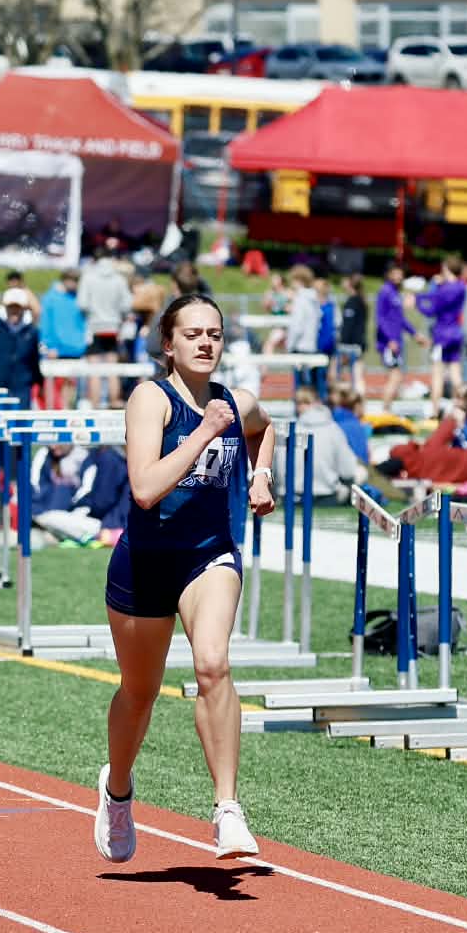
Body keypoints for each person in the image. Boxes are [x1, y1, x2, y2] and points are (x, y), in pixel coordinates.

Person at [94, 293, 277, 864]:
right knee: (140, 692)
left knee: (213, 665)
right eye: (193, 334)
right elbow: (145, 489)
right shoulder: (151, 398)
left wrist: (261, 476)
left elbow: (264, 428)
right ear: (168, 345)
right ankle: (117, 790)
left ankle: (228, 809)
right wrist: (204, 433)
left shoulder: (236, 402)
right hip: (146, 562)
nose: (205, 343)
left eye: (214, 334)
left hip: (208, 556)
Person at [281, 387, 365, 502]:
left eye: (303, 402)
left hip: (289, 495)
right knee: (360, 473)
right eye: (299, 403)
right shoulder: (333, 429)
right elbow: (348, 472)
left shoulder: (289, 430)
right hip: (326, 495)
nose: (300, 407)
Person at [78, 256, 133, 407]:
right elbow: (127, 304)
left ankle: (95, 404)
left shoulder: (88, 277)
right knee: (112, 368)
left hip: (94, 327)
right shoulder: (119, 279)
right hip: (113, 327)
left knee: (94, 370)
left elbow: (82, 303)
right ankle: (114, 402)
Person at [417, 257, 467, 403]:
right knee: (455, 374)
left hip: (442, 334)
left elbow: (431, 310)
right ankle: (462, 404)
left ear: (447, 269)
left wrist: (417, 302)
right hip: (456, 332)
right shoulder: (461, 286)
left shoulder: (445, 289)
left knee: (437, 374)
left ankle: (435, 410)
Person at [39, 268, 87, 407]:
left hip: (77, 349)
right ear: (64, 280)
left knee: (71, 386)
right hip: (57, 350)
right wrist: (49, 346)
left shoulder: (79, 298)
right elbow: (46, 324)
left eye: (77, 281)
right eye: (72, 280)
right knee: (55, 387)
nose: (74, 284)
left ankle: (69, 412)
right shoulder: (50, 298)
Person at [374, 263, 408, 405]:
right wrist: (390, 339)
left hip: (397, 341)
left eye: (400, 274)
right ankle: (385, 409)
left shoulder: (396, 293)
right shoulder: (385, 292)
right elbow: (380, 318)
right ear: (388, 274)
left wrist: (415, 334)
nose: (399, 276)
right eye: (395, 273)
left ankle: (387, 407)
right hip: (389, 343)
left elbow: (401, 319)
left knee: (396, 377)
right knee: (395, 376)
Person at [336, 273, 368, 399]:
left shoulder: (353, 301)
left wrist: (342, 344)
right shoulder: (360, 300)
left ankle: (356, 402)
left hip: (352, 345)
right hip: (357, 343)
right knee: (356, 375)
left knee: (353, 375)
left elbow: (348, 327)